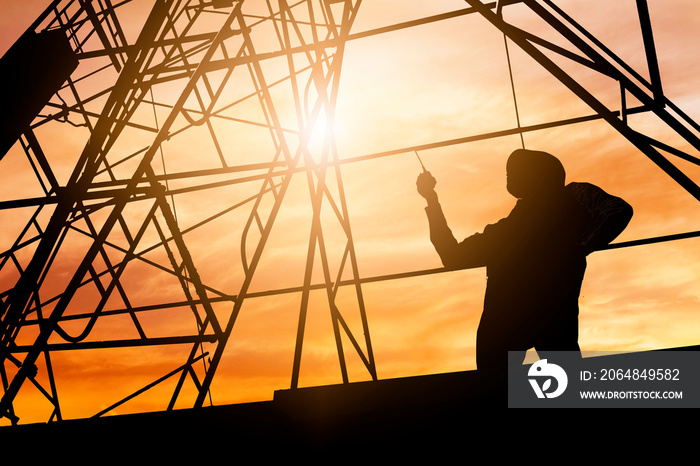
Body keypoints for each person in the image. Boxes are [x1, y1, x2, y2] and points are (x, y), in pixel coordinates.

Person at [416, 148, 633, 382]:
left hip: (531, 318)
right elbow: (453, 256)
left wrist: (580, 247)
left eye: (515, 171)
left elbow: (618, 211)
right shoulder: (505, 231)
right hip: (518, 320)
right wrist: (431, 199)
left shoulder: (574, 196)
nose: (509, 176)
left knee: (507, 389)